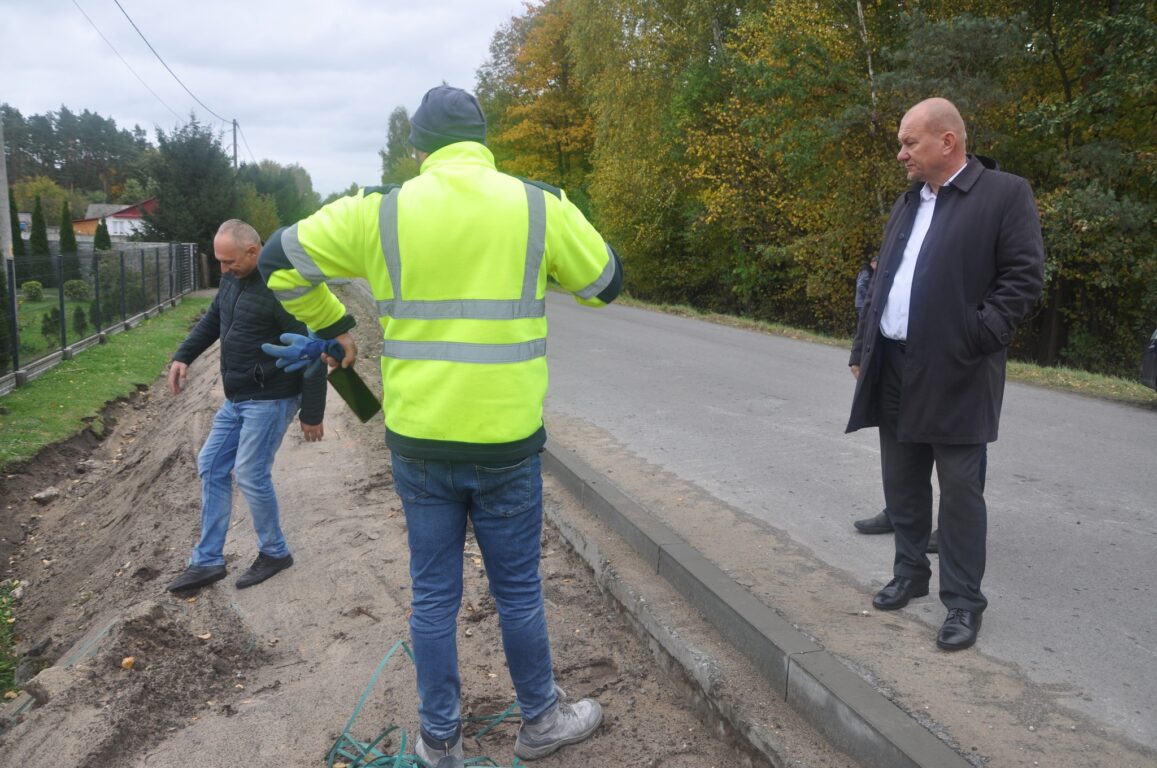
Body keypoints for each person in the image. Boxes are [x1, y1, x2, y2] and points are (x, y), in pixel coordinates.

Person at [258, 85, 623, 766]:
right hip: (506, 443)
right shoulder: (537, 205)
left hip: (419, 441)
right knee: (516, 590)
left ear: (418, 149)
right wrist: (563, 213)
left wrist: (333, 326)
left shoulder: (379, 213)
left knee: (432, 596)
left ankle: (439, 742)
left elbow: (276, 260)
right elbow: (605, 284)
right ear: (483, 143)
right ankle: (541, 721)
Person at [846, 98, 1044, 651]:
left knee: (960, 490)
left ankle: (962, 603)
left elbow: (1024, 279)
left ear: (947, 142)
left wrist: (975, 335)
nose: (901, 152)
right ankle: (910, 573)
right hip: (892, 361)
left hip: (958, 369)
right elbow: (884, 279)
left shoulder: (1004, 195)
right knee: (902, 479)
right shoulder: (910, 200)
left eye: (910, 142)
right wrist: (864, 345)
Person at [165, 219, 327, 593]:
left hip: (272, 398)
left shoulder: (281, 289)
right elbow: (213, 320)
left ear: (253, 251)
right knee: (210, 465)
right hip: (237, 397)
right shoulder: (231, 281)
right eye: (219, 262)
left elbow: (312, 350)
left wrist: (313, 413)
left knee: (251, 473)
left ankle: (275, 552)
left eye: (229, 261)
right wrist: (183, 356)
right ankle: (207, 561)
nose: (223, 269)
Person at [853, 255, 939, 553]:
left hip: (951, 357)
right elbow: (878, 287)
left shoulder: (976, 211)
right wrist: (859, 348)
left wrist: (984, 331)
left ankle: (955, 526)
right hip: (894, 351)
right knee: (899, 449)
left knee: (957, 451)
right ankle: (898, 512)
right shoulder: (905, 210)